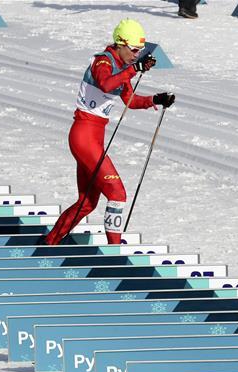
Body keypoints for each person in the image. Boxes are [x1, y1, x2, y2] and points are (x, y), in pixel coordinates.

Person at [43, 19, 176, 246]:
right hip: (83, 136)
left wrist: (156, 99)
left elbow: (130, 101)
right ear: (120, 44)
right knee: (117, 193)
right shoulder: (102, 61)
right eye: (133, 50)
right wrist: (134, 69)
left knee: (87, 202)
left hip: (94, 138)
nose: (136, 55)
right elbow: (105, 84)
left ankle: (49, 242)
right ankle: (115, 251)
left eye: (140, 51)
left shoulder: (124, 69)